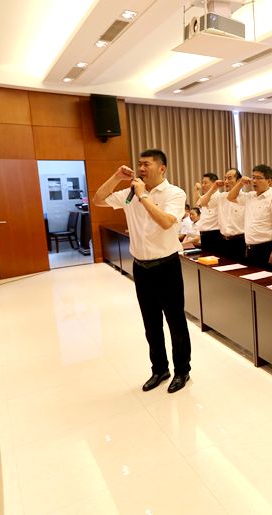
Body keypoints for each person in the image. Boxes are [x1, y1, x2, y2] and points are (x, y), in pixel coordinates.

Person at [92, 149, 191, 393]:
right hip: (142, 268)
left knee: (175, 321)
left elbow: (166, 222)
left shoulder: (174, 193)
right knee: (151, 323)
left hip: (167, 265)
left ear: (162, 168)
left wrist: (143, 196)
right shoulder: (130, 193)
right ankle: (159, 369)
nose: (141, 168)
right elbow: (98, 199)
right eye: (139, 164)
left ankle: (182, 370)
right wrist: (116, 177)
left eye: (147, 164)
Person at [227, 164, 272, 270]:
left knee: (266, 279)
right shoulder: (250, 196)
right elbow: (230, 197)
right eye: (253, 177)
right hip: (249, 248)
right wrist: (240, 183)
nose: (254, 181)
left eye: (259, 178)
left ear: (269, 181)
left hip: (266, 248)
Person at [194, 172, 221, 255]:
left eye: (205, 183)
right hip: (204, 234)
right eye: (202, 183)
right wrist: (196, 190)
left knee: (215, 259)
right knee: (205, 259)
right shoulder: (206, 196)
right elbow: (197, 202)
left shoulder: (219, 197)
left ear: (214, 183)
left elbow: (202, 203)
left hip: (215, 234)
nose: (203, 185)